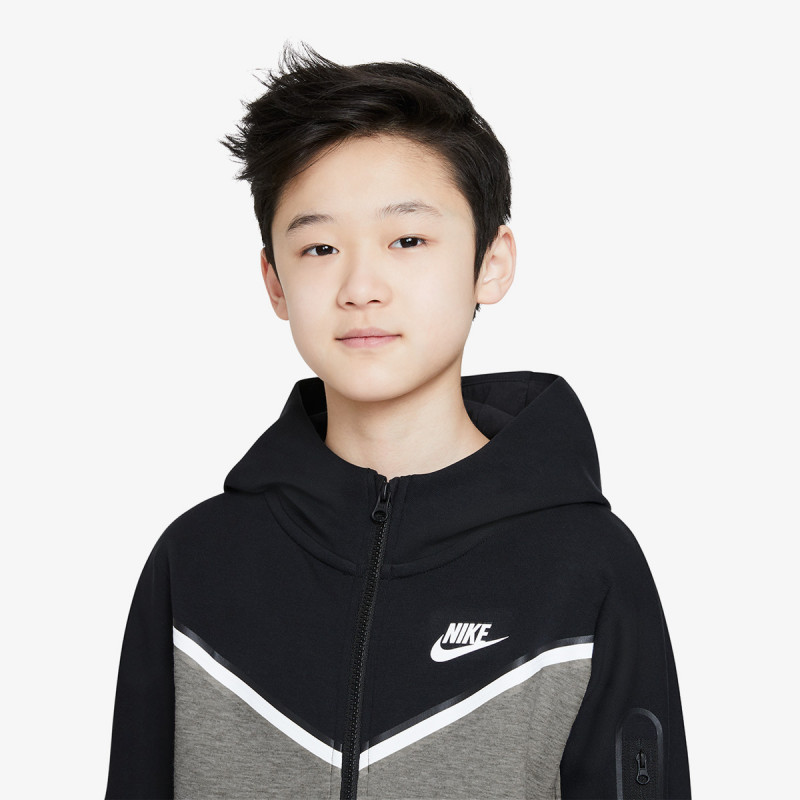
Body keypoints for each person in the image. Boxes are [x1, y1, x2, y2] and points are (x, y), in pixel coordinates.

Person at [104, 41, 691, 800]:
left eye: (407, 240)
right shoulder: (196, 563)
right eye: (319, 247)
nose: (360, 286)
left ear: (491, 262)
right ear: (274, 281)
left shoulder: (587, 565)